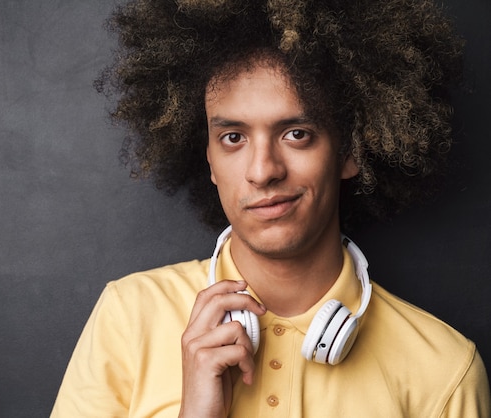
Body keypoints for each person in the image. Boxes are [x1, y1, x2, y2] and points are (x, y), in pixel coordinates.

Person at [51, 0, 491, 416]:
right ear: (209, 159)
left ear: (350, 151)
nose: (262, 171)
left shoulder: (445, 372)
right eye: (233, 138)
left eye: (296, 133)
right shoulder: (128, 317)